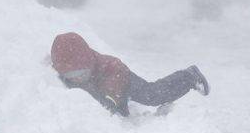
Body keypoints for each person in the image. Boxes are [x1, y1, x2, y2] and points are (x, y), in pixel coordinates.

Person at [51, 32, 209, 116]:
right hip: (100, 84)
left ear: (89, 64)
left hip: (121, 78)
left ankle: (188, 76)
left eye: (82, 72)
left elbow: (111, 101)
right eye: (71, 74)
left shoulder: (112, 71)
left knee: (152, 95)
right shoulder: (67, 65)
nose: (77, 77)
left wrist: (114, 104)